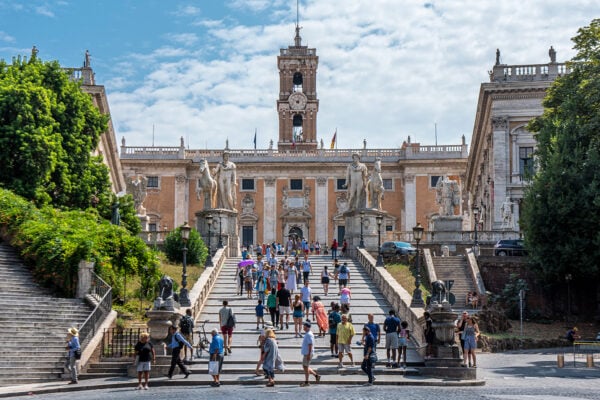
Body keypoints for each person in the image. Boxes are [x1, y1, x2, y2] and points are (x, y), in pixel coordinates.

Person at [300, 321, 322, 386]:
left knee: (305, 366)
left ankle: (307, 382)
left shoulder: (309, 334)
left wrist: (309, 354)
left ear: (307, 327)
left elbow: (310, 345)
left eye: (304, 326)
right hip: (307, 353)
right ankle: (316, 376)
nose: (303, 327)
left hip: (308, 353)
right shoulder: (308, 333)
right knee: (306, 366)